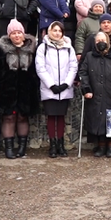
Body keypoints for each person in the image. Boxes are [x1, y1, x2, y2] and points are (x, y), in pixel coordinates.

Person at [0, 19, 40, 158]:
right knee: (8, 118)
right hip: (6, 90)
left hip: (26, 89)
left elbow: (36, 71)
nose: (16, 36)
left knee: (23, 117)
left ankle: (22, 148)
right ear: (9, 35)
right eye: (13, 33)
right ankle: (9, 148)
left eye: (19, 33)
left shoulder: (32, 49)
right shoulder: (1, 50)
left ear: (23, 34)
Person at [79, 31, 111, 157]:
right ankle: (100, 146)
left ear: (108, 42)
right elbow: (83, 73)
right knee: (98, 121)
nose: (101, 43)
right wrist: (86, 89)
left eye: (103, 40)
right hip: (94, 94)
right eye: (98, 41)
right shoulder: (89, 57)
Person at [36, 21, 78, 158]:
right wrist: (51, 85)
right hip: (49, 89)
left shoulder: (68, 48)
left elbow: (73, 67)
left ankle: (60, 144)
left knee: (61, 117)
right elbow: (40, 68)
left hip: (64, 89)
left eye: (60, 31)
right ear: (49, 32)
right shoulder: (43, 48)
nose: (57, 33)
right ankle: (52, 145)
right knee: (51, 116)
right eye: (54, 30)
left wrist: (66, 84)